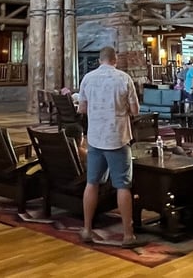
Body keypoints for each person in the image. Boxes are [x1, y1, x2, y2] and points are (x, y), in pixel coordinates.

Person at [77, 45, 142, 248]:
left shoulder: (88, 78)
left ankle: (87, 229)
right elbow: (135, 110)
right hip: (117, 138)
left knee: (92, 183)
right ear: (115, 60)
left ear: (99, 60)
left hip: (95, 138)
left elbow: (82, 108)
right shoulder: (124, 79)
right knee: (122, 185)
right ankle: (128, 235)